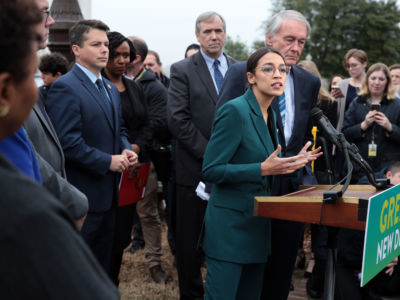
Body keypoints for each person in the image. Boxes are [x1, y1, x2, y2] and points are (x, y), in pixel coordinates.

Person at [0, 1, 119, 298]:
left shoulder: (109, 87)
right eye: (32, 77)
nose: (51, 21)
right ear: (4, 92)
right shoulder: (22, 210)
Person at [216, 10, 320, 300]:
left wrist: (302, 164)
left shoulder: (309, 82)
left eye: (301, 41)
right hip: (250, 187)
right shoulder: (241, 73)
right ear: (269, 38)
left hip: (290, 192)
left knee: (281, 271)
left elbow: (303, 132)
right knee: (246, 275)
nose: (295, 47)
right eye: (289, 39)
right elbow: (222, 132)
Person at [46, 19, 138, 274]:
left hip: (111, 197)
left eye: (106, 44)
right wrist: (107, 161)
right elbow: (66, 142)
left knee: (104, 269)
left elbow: (118, 129)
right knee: (78, 272)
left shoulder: (108, 86)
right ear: (76, 49)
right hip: (83, 198)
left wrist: (125, 148)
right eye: (96, 44)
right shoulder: (66, 87)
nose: (105, 50)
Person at [167, 11, 237, 299]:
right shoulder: (182, 69)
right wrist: (213, 155)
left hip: (234, 171)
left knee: (229, 240)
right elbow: (177, 120)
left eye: (218, 31)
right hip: (194, 170)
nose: (213, 36)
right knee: (190, 245)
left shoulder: (238, 68)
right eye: (207, 32)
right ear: (197, 35)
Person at [101, 31, 152, 285]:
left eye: (126, 55)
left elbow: (147, 123)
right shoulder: (97, 85)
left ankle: (112, 282)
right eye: (116, 55)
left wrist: (136, 147)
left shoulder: (134, 86)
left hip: (132, 166)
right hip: (104, 167)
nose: (122, 61)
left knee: (121, 234)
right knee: (102, 236)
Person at [125, 36, 170, 283]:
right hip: (115, 159)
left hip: (143, 160)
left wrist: (136, 146)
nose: (118, 57)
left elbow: (158, 123)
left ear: (136, 58)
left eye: (124, 54)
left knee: (148, 214)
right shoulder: (115, 82)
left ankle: (154, 264)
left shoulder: (153, 87)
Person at [335, 161, 400, 300]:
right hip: (353, 259)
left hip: (383, 263)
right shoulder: (366, 188)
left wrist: (395, 255)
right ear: (388, 175)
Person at [342, 63, 400, 183]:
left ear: (387, 82)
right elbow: (344, 134)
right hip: (360, 166)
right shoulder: (357, 102)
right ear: (367, 80)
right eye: (373, 78)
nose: (377, 82)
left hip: (387, 168)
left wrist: (390, 127)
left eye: (381, 79)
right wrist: (363, 125)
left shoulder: (397, 104)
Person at [332, 49, 368, 132]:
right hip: (344, 133)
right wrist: (332, 100)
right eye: (348, 66)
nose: (350, 69)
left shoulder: (372, 84)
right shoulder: (341, 85)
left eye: (354, 65)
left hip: (366, 133)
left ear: (364, 64)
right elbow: (333, 113)